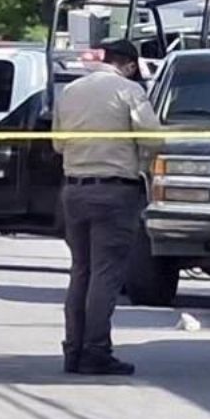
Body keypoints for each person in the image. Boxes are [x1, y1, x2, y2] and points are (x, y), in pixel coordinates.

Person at [52, 39, 161, 376]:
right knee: (105, 273)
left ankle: (74, 349)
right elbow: (154, 138)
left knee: (80, 271)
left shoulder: (70, 91)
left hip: (74, 190)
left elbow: (57, 142)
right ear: (129, 64)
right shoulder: (128, 91)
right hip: (114, 192)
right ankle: (96, 351)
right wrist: (139, 160)